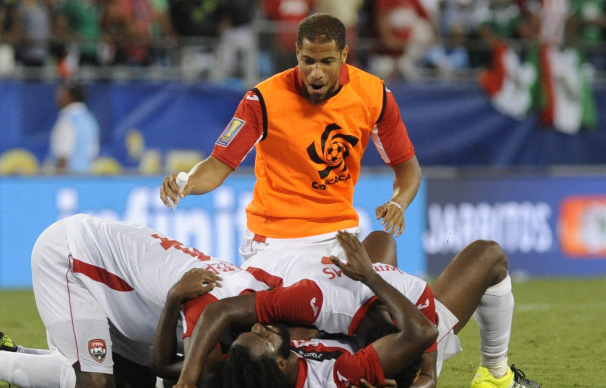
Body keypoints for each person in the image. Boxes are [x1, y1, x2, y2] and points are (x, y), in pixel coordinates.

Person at [0, 214, 270, 388]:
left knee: (134, 381)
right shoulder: (208, 301)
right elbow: (184, 372)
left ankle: (10, 352)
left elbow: (159, 369)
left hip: (121, 287)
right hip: (71, 256)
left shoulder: (254, 293)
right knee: (92, 381)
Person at [160, 13, 421, 261]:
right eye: (308, 60)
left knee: (379, 296)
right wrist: (187, 183)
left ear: (343, 55)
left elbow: (408, 170)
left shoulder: (375, 95)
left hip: (340, 235)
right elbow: (218, 165)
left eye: (326, 62)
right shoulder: (262, 100)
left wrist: (398, 203)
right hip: (273, 240)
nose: (316, 72)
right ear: (297, 52)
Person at [172, 231, 541, 388]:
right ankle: (496, 373)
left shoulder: (308, 299)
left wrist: (182, 376)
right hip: (399, 339)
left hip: (376, 318)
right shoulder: (323, 307)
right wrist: (420, 382)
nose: (260, 326)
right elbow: (423, 340)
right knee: (488, 254)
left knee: (381, 240)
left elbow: (221, 312)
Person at [49, 80, 100, 174]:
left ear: (69, 96)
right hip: (86, 178)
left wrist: (59, 182)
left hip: (69, 180)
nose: (58, 96)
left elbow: (63, 156)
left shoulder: (67, 121)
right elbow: (93, 156)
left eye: (61, 93)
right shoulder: (90, 120)